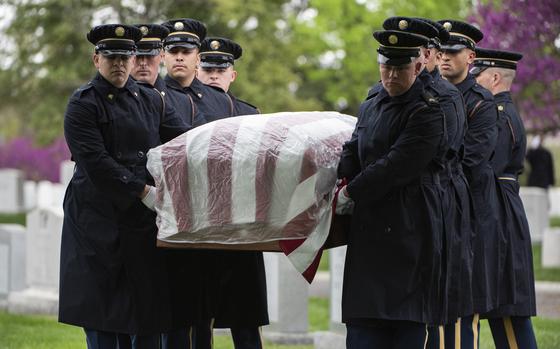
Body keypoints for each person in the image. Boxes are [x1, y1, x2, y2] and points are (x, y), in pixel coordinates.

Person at [58, 24, 190, 349]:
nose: (119, 63)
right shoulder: (83, 104)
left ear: (134, 60)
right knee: (103, 316)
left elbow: (185, 139)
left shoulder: (151, 100)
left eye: (125, 56)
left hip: (139, 222)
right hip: (95, 220)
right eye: (111, 56)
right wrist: (143, 191)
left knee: (147, 313)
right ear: (96, 60)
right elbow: (95, 161)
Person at [336, 27, 446, 348]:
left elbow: (397, 165)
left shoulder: (428, 110)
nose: (391, 75)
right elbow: (353, 146)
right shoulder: (372, 103)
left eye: (399, 67)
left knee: (405, 328)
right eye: (386, 66)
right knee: (362, 330)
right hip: (369, 234)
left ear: (417, 66)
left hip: (409, 230)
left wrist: (351, 192)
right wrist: (340, 178)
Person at [382, 16, 475, 348]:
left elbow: (434, 157)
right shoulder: (390, 94)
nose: (416, 57)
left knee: (438, 303)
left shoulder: (443, 97)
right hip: (403, 208)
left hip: (437, 203)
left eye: (420, 50)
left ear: (431, 54)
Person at [196, 36, 269, 349]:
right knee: (197, 320)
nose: (214, 74)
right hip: (200, 226)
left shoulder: (250, 115)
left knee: (246, 320)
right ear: (198, 71)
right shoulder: (184, 108)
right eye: (208, 68)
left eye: (220, 69)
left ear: (232, 75)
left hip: (241, 227)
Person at [438, 19, 502, 348]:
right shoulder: (427, 94)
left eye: (453, 51)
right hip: (432, 216)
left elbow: (472, 164)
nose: (445, 57)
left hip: (467, 219)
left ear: (470, 58)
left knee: (463, 312)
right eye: (440, 50)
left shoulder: (481, 103)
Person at [472, 48, 538, 349]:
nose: (473, 82)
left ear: (495, 77)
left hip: (499, 212)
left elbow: (489, 166)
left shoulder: (498, 115)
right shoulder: (504, 111)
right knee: (503, 304)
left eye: (478, 74)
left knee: (507, 307)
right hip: (500, 207)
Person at [131, 23, 203, 128]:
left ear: (161, 56)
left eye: (150, 55)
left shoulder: (184, 102)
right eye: (138, 56)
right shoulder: (117, 98)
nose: (143, 63)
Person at [161, 18, 233, 122]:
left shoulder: (222, 100)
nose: (179, 57)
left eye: (186, 52)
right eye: (173, 51)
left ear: (198, 59)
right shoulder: (153, 97)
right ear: (163, 57)